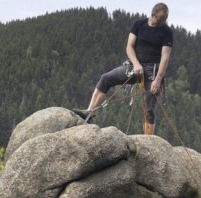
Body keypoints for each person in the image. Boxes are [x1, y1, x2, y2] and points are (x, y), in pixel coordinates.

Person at [72, 3, 173, 135]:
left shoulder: (166, 31)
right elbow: (129, 46)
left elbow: (165, 57)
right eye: (159, 19)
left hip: (153, 70)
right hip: (133, 66)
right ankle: (90, 112)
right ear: (152, 14)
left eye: (164, 19)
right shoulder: (139, 24)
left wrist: (158, 79)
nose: (161, 22)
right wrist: (136, 64)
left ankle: (149, 141)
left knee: (149, 108)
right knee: (106, 78)